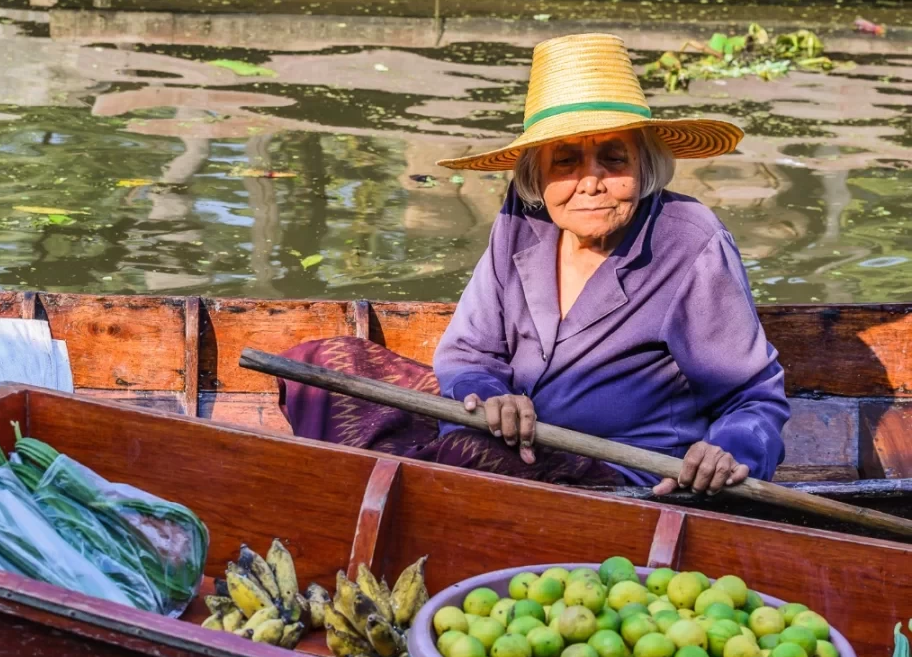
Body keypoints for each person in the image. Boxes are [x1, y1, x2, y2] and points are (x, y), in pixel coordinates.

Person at [279, 32, 788, 493]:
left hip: (616, 475)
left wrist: (727, 453)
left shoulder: (689, 242)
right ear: (537, 174)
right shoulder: (524, 218)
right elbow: (469, 354)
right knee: (320, 363)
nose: (590, 181)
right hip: (506, 436)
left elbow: (752, 398)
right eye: (565, 161)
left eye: (614, 159)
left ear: (644, 165)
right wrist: (488, 396)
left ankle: (400, 480)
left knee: (464, 456)